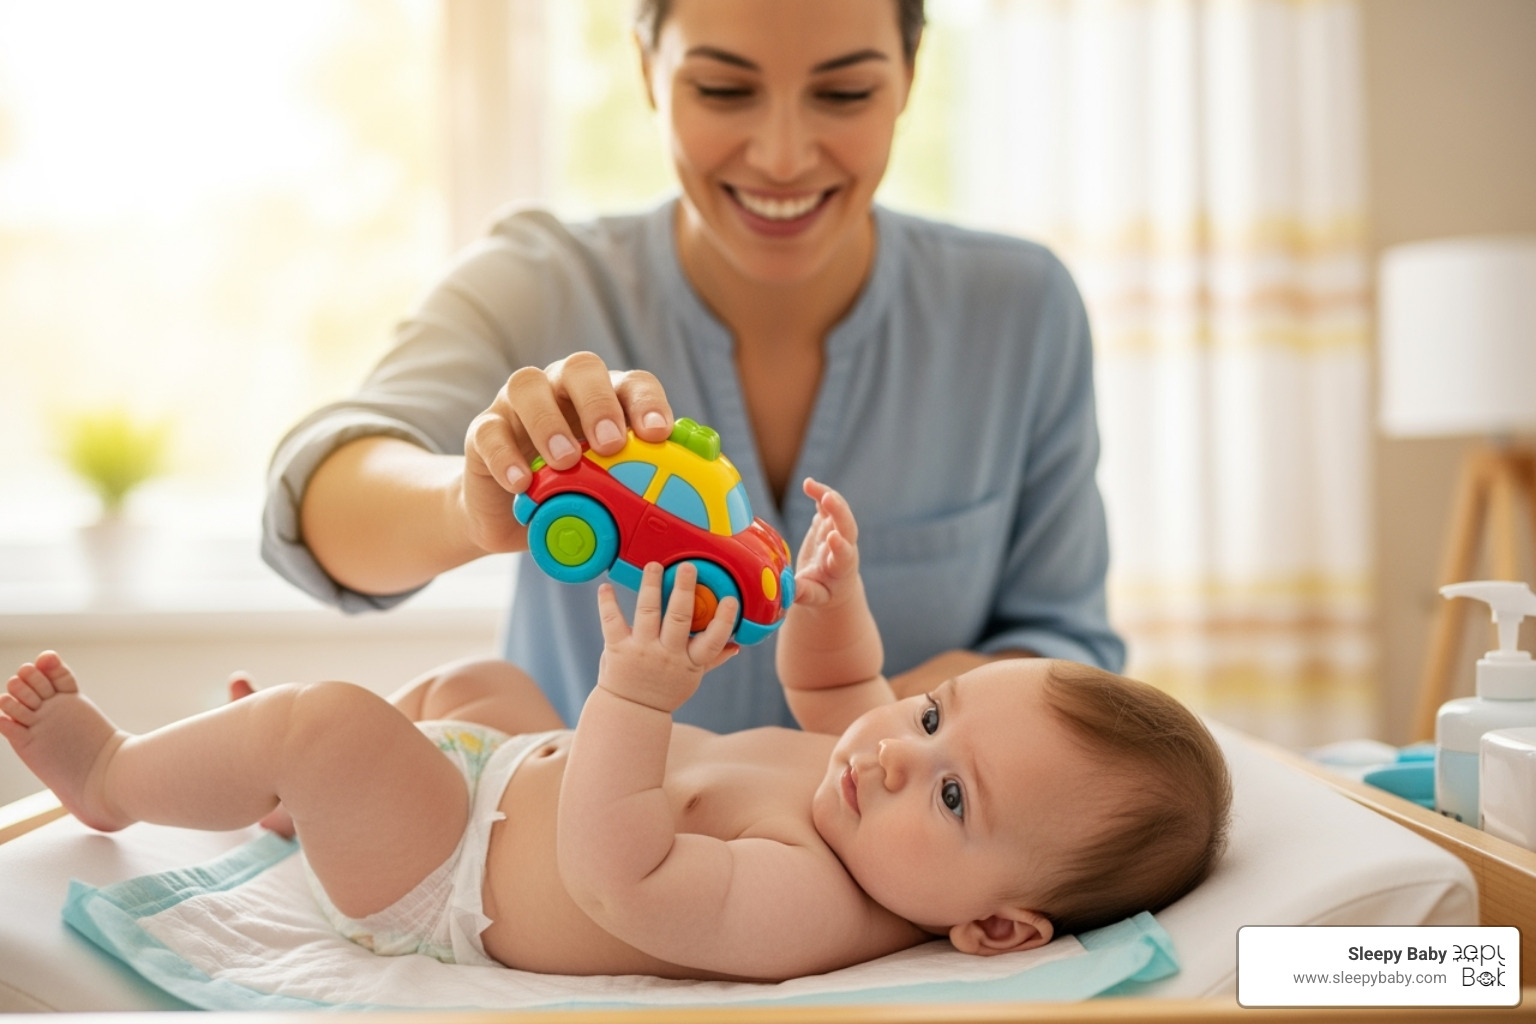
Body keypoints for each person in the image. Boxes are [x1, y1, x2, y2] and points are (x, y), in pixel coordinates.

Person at [261, 0, 1126, 732]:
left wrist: (882, 726)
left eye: (846, 91)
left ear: (909, 73)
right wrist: (467, 503)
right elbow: (321, 495)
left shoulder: (1020, 308)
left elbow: (1068, 652)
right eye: (721, 88)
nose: (783, 156)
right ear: (646, 68)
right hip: (569, 887)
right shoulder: (535, 283)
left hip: (901, 896)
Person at [3, 481, 1229, 980]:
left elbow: (619, 870)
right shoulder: (877, 777)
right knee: (480, 681)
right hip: (505, 776)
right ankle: (282, 803)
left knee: (332, 726)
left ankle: (116, 776)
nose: (897, 748)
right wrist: (832, 600)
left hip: (450, 876)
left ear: (996, 925)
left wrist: (637, 697)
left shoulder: (817, 901)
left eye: (955, 797)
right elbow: (841, 682)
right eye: (931, 713)